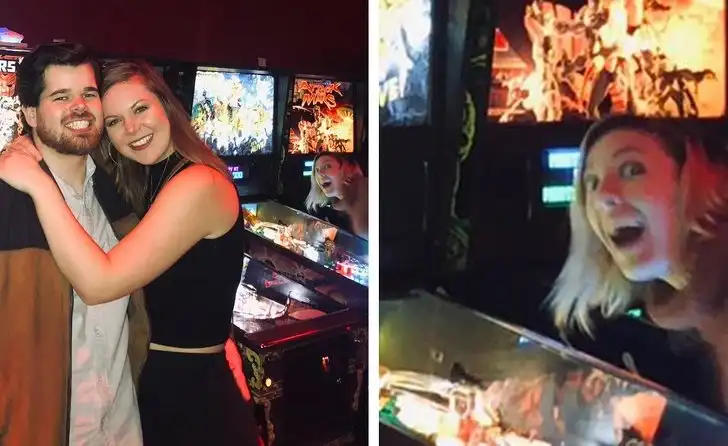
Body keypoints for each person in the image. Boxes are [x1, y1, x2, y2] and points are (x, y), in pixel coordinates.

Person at [0, 58, 261, 445]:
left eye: (140, 109)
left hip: (190, 393)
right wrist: (29, 144)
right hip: (144, 384)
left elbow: (100, 284)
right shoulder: (130, 182)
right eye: (114, 121)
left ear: (166, 105)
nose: (132, 128)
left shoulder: (200, 184)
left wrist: (38, 184)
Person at [0, 43, 148, 445]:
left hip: (123, 425)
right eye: (61, 97)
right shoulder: (7, 203)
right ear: (31, 114)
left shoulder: (120, 192)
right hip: (43, 431)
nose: (79, 107)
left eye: (88, 93)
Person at [546, 114, 728, 440]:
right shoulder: (677, 314)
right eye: (592, 183)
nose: (604, 196)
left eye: (632, 170)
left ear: (692, 181)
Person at [305, 151, 368, 239]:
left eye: (327, 166)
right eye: (317, 170)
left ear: (346, 169)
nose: (319, 174)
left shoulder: (367, 190)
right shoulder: (336, 208)